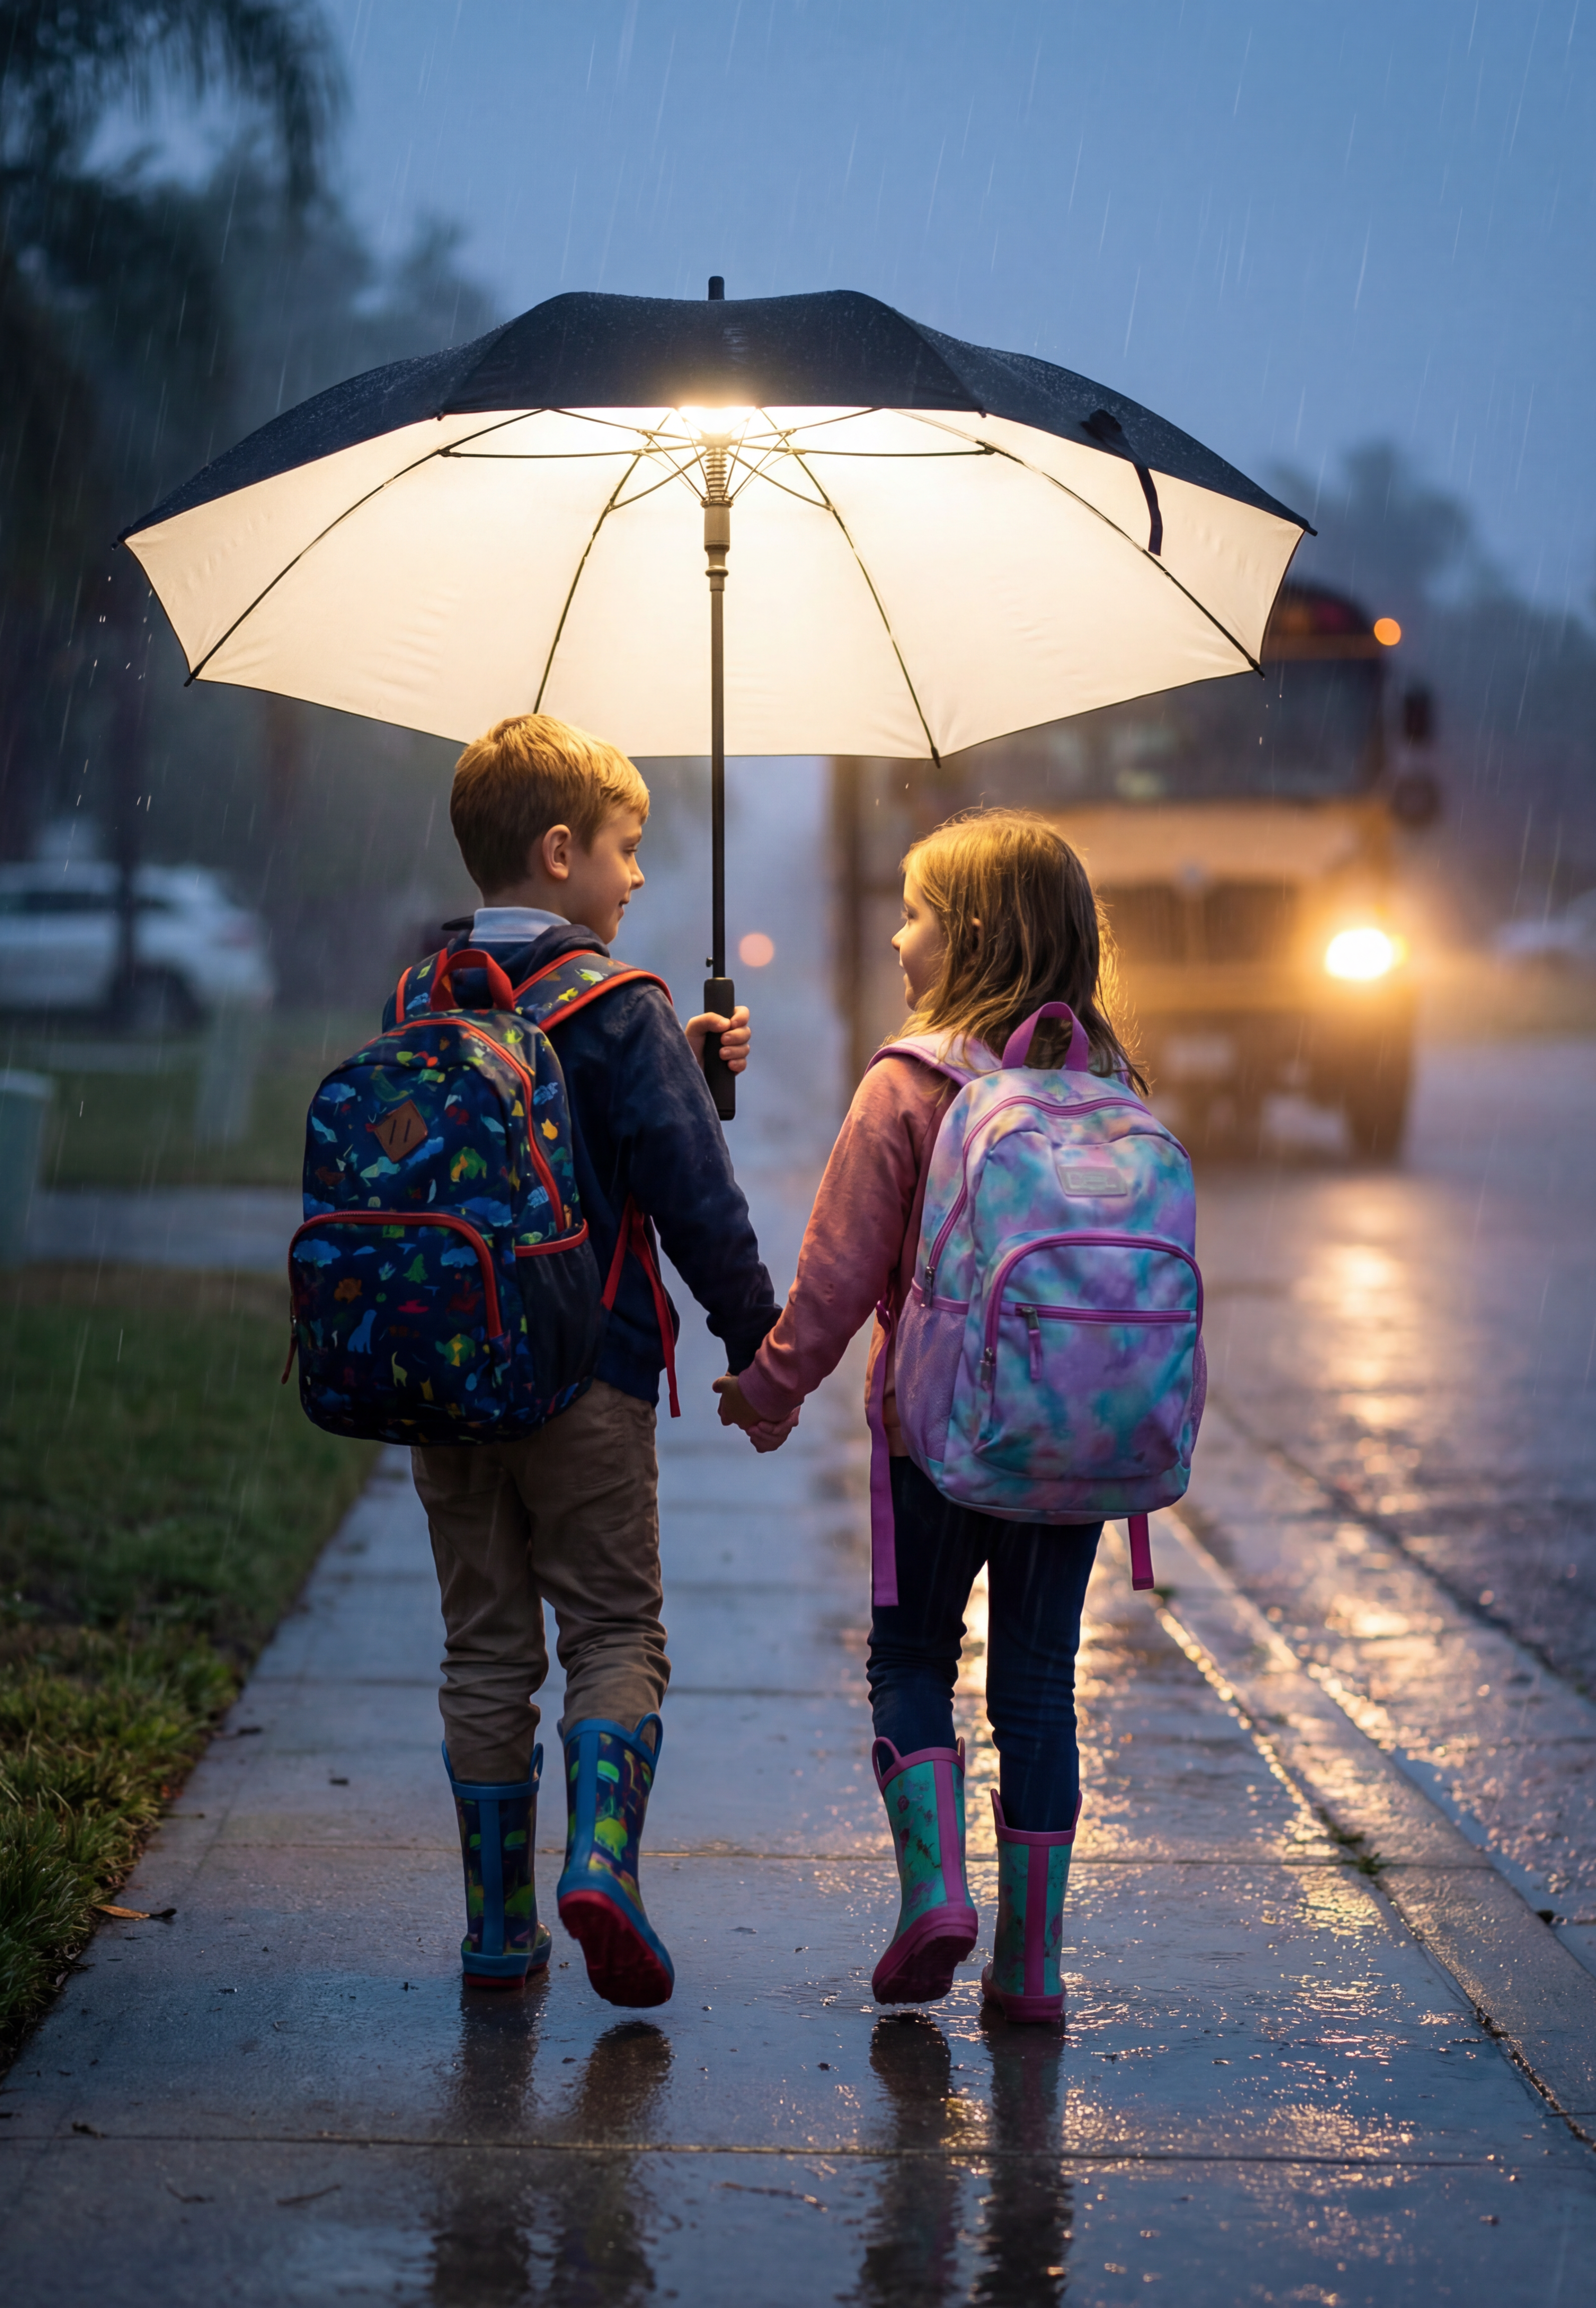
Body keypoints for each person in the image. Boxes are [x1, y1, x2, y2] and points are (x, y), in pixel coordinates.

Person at [714, 808, 1146, 2024]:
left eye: (909, 915)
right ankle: (1031, 1967)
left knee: (911, 1660)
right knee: (1037, 1689)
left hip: (936, 1448)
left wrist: (769, 1388)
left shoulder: (909, 1083)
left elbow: (839, 1274)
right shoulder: (1104, 1087)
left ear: (960, 936)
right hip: (1073, 1450)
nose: (895, 938)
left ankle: (935, 1898)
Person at [406, 713, 780, 2010]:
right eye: (625, 850)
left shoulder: (423, 991)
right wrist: (761, 1349)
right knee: (613, 1628)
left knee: (485, 1651)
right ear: (560, 850)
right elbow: (695, 1199)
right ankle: (604, 1870)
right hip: (588, 1377)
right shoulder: (620, 1007)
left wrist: (672, 1063)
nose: (633, 878)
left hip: (444, 1382)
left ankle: (498, 1935)